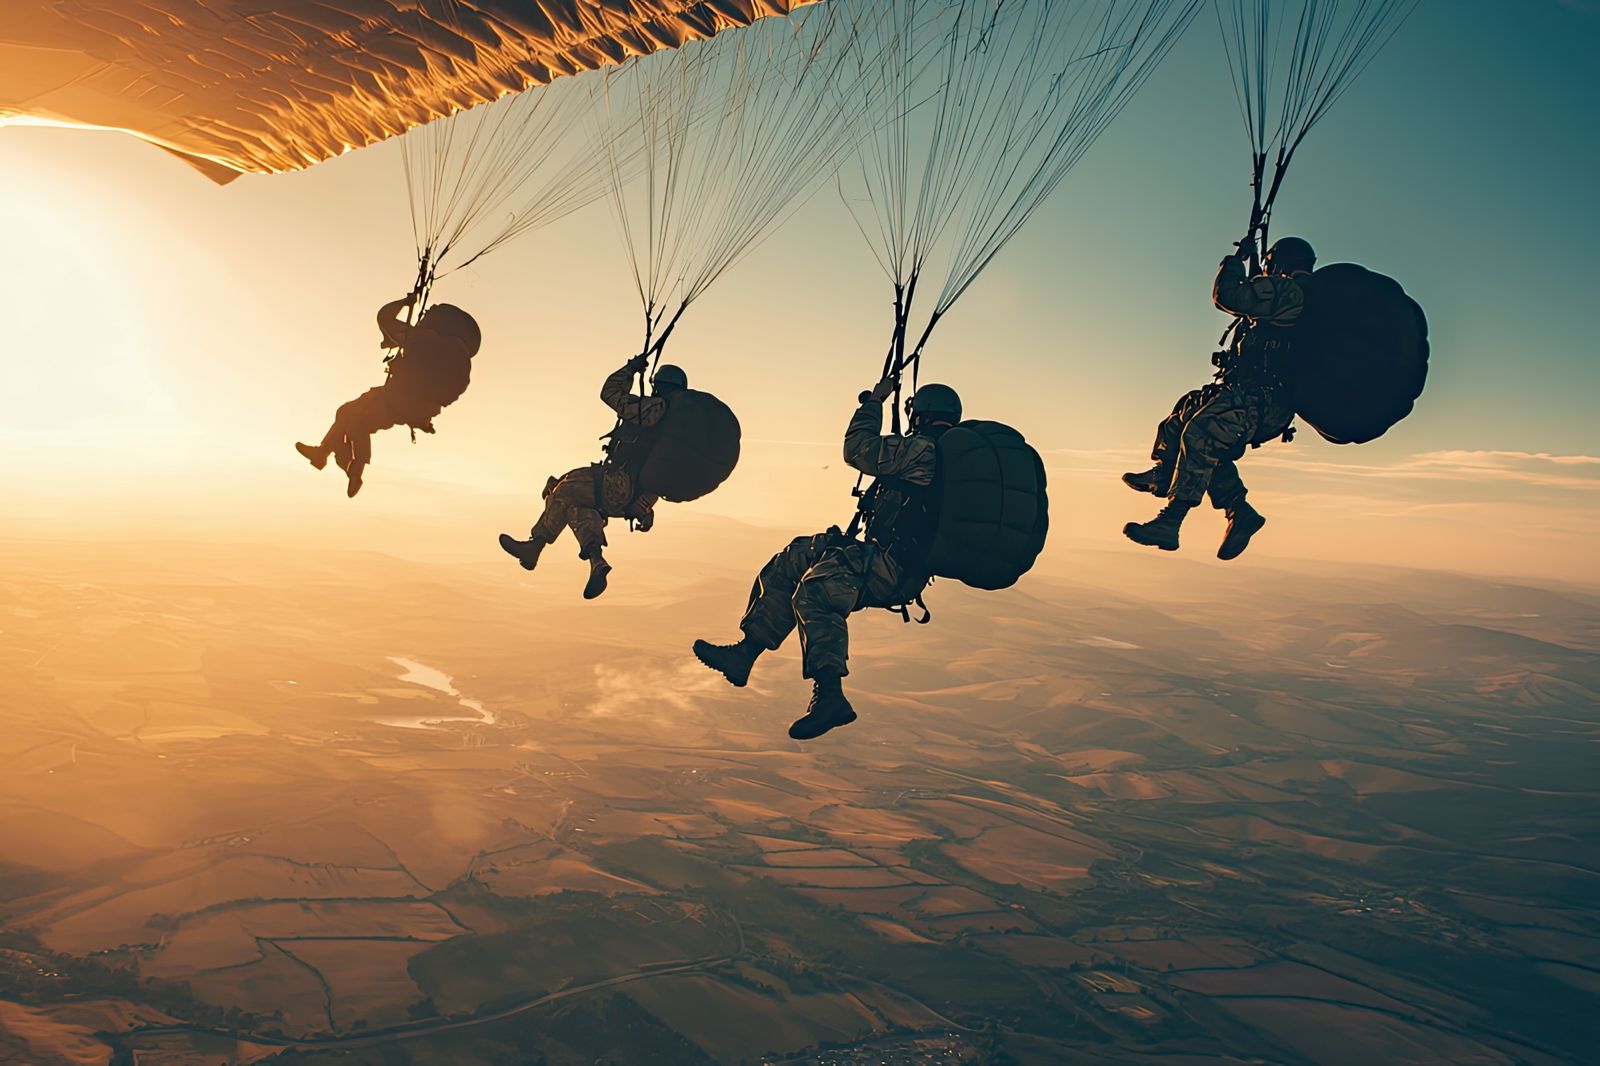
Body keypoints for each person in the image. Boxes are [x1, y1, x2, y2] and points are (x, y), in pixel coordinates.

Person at [691, 378, 961, 741]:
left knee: (816, 592)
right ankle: (746, 653)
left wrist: (874, 402)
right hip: (890, 560)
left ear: (921, 414)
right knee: (795, 557)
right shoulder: (938, 455)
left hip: (893, 567)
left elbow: (857, 450)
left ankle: (830, 696)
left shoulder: (922, 451)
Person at [1122, 235, 1315, 559]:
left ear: (1278, 263)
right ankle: (1228, 505)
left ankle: (1171, 521)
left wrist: (1235, 261)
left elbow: (1228, 295)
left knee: (1202, 433)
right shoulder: (1292, 295)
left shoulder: (1288, 291)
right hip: (1254, 395)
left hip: (1264, 401)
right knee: (1186, 415)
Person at [497, 354, 685, 600]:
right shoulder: (672, 426)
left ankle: (535, 547)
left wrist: (630, 369)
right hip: (630, 495)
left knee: (563, 489)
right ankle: (597, 562)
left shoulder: (653, 410)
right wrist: (646, 506)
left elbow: (610, 392)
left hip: (618, 485)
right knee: (576, 508)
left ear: (658, 385)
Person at [295, 296, 479, 497]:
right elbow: (449, 394)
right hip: (409, 406)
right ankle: (324, 454)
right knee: (347, 412)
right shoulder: (459, 362)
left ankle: (354, 470)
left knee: (357, 422)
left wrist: (406, 302)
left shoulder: (423, 339)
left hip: (395, 401)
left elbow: (384, 318)